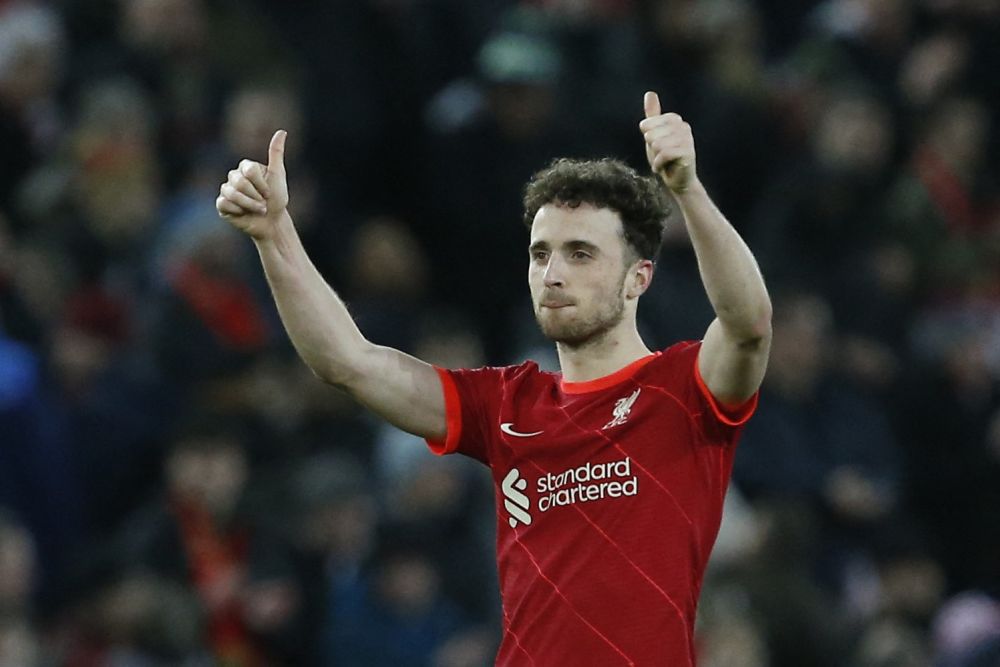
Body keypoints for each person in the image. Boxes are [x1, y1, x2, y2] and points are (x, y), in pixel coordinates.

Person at [215, 91, 772, 666]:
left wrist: (687, 188)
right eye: (540, 254)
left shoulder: (681, 389)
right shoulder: (505, 403)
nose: (552, 274)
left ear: (638, 278)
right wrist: (273, 234)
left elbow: (749, 325)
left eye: (581, 254)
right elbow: (348, 363)